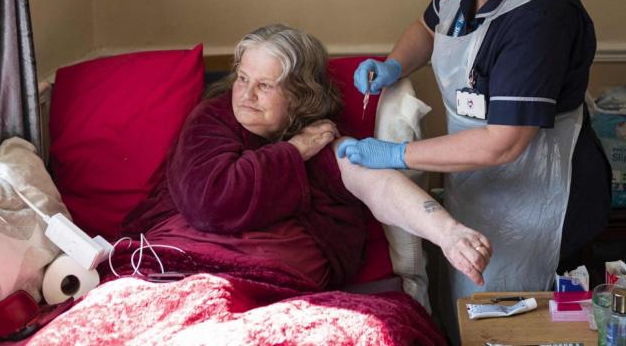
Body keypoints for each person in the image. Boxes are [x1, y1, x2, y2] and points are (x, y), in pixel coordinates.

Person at [338, 0, 611, 304]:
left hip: (539, 196)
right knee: (473, 307)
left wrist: (397, 154)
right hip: (481, 183)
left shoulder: (538, 16)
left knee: (521, 318)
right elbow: (427, 29)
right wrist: (393, 64)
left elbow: (502, 144)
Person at [122, 24, 491, 292]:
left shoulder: (324, 136)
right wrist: (294, 151)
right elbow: (209, 201)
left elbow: (379, 186)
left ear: (300, 95)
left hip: (279, 287)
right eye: (242, 78)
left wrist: (449, 234)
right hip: (186, 271)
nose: (245, 95)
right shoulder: (212, 119)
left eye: (265, 85)